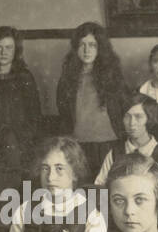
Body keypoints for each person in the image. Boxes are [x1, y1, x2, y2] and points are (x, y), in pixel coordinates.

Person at [4, 135, 108, 232]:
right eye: (45, 168)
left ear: (74, 173)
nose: (51, 177)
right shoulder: (24, 210)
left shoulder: (92, 216)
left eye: (59, 168)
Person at [55, 22, 129, 175]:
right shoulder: (67, 79)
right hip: (78, 146)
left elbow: (123, 109)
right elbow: (64, 114)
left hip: (109, 144)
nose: (87, 50)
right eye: (82, 45)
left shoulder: (112, 76)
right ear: (76, 48)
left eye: (92, 45)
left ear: (100, 48)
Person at [0, 26, 44, 140]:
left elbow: (34, 114)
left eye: (9, 48)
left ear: (16, 50)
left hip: (19, 138)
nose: (4, 52)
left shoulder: (25, 76)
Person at [93, 93, 158, 185]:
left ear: (149, 119)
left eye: (138, 117)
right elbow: (98, 187)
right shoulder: (114, 153)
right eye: (127, 116)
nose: (132, 123)